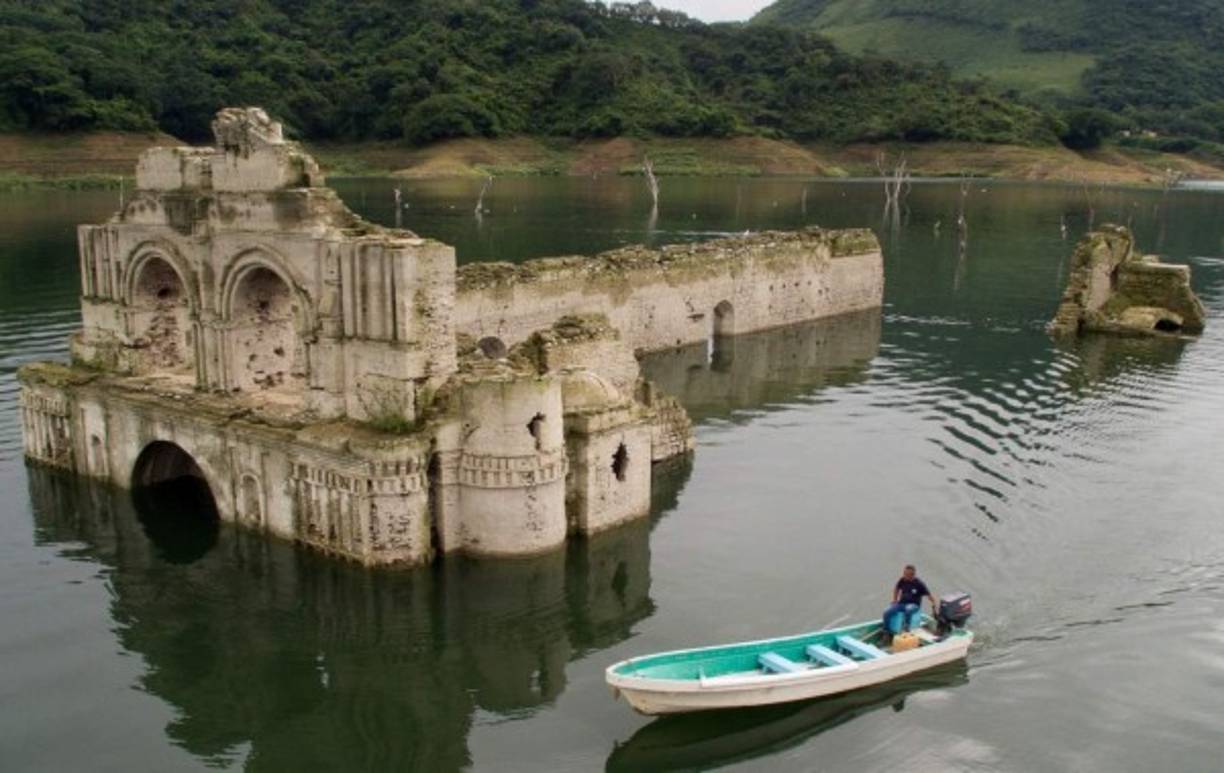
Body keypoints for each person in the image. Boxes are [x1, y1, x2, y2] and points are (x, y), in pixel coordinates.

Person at [883, 564, 936, 636]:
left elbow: (929, 595)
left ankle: (906, 629)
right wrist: (895, 600)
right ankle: (886, 631)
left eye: (906, 574)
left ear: (912, 575)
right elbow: (896, 588)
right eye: (904, 573)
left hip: (914, 605)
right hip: (901, 604)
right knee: (887, 612)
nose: (904, 575)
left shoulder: (919, 584)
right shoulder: (902, 580)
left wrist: (934, 605)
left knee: (908, 610)